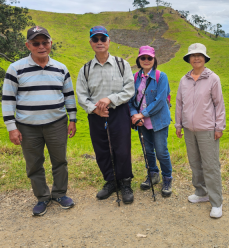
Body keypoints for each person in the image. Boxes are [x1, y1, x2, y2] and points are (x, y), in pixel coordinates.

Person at [2, 26, 77, 215]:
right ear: (28, 45)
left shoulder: (61, 68)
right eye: (36, 43)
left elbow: (68, 95)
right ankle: (42, 197)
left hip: (57, 123)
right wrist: (12, 127)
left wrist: (73, 119)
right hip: (27, 127)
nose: (41, 46)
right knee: (34, 163)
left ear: (51, 43)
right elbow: (8, 99)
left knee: (60, 161)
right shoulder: (15, 68)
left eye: (45, 42)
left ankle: (59, 193)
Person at [75, 26, 136, 203]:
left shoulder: (121, 64)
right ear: (91, 43)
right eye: (96, 39)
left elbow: (129, 90)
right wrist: (94, 109)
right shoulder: (85, 69)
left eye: (103, 39)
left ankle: (125, 182)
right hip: (96, 115)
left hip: (118, 112)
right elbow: (81, 95)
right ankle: (110, 181)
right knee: (102, 149)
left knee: (122, 148)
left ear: (109, 41)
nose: (99, 42)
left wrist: (109, 99)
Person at [175, 43, 225, 217]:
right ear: (189, 59)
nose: (196, 58)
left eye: (200, 55)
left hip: (207, 129)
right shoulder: (184, 79)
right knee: (195, 163)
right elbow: (179, 103)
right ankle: (201, 192)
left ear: (205, 58)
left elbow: (219, 104)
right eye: (193, 55)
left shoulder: (213, 79)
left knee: (210, 166)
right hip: (189, 129)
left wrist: (219, 126)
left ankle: (216, 202)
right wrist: (178, 124)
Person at [129, 45, 173, 197]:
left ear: (154, 60)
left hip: (159, 120)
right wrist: (135, 115)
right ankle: (153, 174)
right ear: (139, 59)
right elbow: (131, 100)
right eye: (143, 58)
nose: (146, 60)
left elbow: (161, 100)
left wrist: (142, 114)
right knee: (148, 151)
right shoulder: (135, 77)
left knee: (161, 151)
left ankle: (167, 178)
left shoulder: (162, 76)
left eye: (149, 58)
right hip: (141, 122)